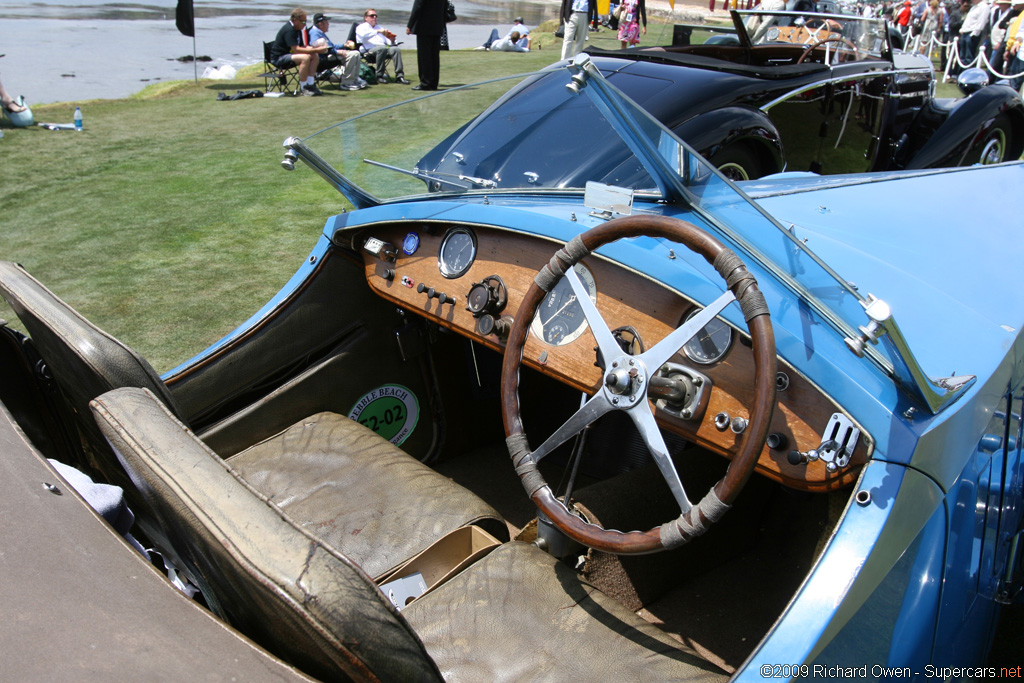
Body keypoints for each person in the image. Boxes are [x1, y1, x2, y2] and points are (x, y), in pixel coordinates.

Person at [269, 7, 327, 96]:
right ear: (295, 19)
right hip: (279, 58)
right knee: (305, 57)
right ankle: (303, 88)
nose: (304, 24)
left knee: (314, 55)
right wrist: (317, 49)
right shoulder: (289, 30)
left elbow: (301, 46)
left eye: (305, 22)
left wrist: (312, 49)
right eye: (303, 22)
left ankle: (310, 84)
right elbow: (296, 49)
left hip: (290, 55)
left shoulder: (297, 29)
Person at [306, 13, 367, 91]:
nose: (328, 24)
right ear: (321, 24)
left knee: (356, 53)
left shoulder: (319, 32)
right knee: (352, 55)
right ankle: (346, 83)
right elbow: (322, 49)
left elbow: (331, 46)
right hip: (323, 59)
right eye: (327, 22)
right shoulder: (314, 33)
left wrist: (344, 45)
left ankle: (355, 79)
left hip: (328, 54)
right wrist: (338, 52)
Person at [356, 9, 410, 84]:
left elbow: (387, 42)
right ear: (366, 18)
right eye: (372, 16)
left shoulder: (380, 27)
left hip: (383, 48)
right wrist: (377, 31)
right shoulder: (361, 27)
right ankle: (379, 76)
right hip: (368, 50)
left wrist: (392, 40)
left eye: (375, 16)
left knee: (395, 49)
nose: (374, 17)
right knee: (382, 48)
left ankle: (399, 76)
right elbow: (363, 36)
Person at [407, 0, 445, 91]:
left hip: (424, 27)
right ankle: (433, 83)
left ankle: (425, 83)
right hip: (437, 26)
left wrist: (410, 25)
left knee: (424, 56)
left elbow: (417, 7)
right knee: (434, 56)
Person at [959, 0, 991, 67]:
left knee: (969, 57)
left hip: (972, 34)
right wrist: (962, 29)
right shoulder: (974, 7)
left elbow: (981, 22)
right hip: (965, 32)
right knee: (962, 56)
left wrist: (974, 34)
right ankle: (961, 73)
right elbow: (968, 20)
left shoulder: (984, 7)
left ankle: (968, 73)